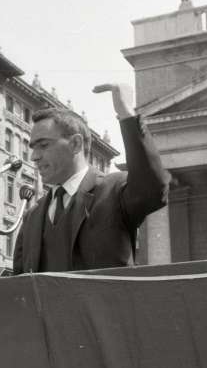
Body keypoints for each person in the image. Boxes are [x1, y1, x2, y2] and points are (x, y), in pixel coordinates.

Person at [11, 83, 169, 275]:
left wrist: (127, 115)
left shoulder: (114, 190)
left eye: (43, 145)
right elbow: (19, 283)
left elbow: (153, 190)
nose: (34, 156)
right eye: (33, 148)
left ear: (75, 144)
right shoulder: (32, 216)